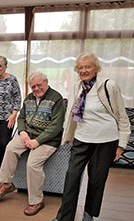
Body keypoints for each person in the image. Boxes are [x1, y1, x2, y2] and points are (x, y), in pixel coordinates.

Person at [51, 52, 131, 221]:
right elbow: (70, 115)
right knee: (71, 176)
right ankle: (64, 217)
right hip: (82, 138)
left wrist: (121, 145)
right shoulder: (76, 87)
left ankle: (89, 214)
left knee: (96, 179)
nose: (84, 70)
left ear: (96, 68)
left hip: (106, 141)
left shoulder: (109, 86)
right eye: (80, 67)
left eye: (88, 66)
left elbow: (122, 117)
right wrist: (67, 136)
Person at [0, 72, 66, 216]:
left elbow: (56, 126)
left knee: (32, 164)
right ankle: (7, 184)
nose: (36, 89)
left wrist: (37, 141)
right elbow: (22, 118)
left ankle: (37, 201)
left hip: (49, 140)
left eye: (39, 85)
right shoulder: (29, 98)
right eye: (33, 86)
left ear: (46, 82)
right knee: (11, 148)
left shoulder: (56, 98)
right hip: (28, 135)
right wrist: (22, 132)